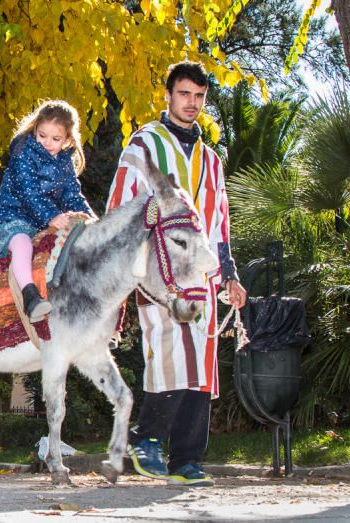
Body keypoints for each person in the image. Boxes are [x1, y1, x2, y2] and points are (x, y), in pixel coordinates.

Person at [107, 61, 248, 487]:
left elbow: (219, 222)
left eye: (199, 96)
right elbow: (119, 204)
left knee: (202, 360)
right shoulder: (144, 144)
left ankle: (186, 459)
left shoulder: (212, 160)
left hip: (202, 275)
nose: (192, 103)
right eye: (184, 93)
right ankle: (145, 437)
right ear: (168, 96)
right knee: (171, 346)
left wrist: (230, 274)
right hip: (158, 271)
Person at [0, 100, 95, 319]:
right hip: (12, 216)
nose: (47, 143)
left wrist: (90, 219)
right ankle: (30, 297)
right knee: (22, 244)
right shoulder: (24, 152)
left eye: (56, 139)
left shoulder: (65, 161)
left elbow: (72, 194)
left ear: (68, 140)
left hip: (39, 222)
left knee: (72, 244)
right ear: (35, 129)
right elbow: (28, 191)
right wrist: (51, 215)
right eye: (42, 135)